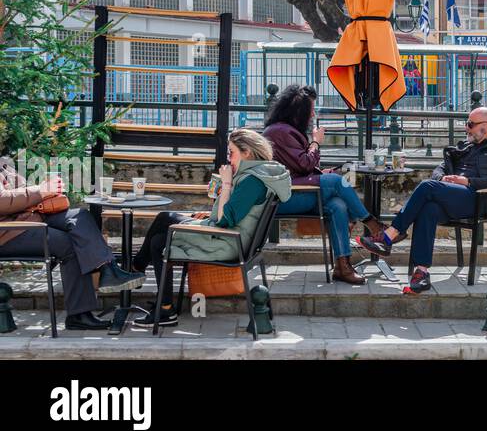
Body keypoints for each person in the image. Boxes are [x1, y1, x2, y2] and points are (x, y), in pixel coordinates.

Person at [131, 128, 291, 326]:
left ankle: (137, 271)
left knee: (163, 226)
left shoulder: (252, 181)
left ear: (247, 153)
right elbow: (238, 215)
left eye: (232, 153)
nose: (229, 159)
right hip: (229, 238)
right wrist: (210, 213)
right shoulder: (259, 175)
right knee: (160, 236)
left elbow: (226, 220)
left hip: (227, 242)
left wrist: (226, 184)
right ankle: (162, 306)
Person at [360, 106, 487, 294]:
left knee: (426, 186)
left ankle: (390, 234)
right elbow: (438, 170)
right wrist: (442, 179)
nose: (467, 128)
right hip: (452, 198)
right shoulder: (464, 147)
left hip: (477, 200)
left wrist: (467, 181)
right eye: (467, 124)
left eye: (470, 124)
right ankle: (421, 272)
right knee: (428, 208)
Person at [0, 158, 144, 331]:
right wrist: (41, 190)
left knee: (80, 216)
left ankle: (107, 268)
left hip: (28, 217)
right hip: (8, 232)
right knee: (69, 244)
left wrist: (46, 190)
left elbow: (20, 191)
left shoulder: (3, 163)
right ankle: (79, 315)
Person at [262, 84, 385, 285]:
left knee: (338, 205)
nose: (312, 115)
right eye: (310, 110)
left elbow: (300, 167)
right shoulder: (280, 132)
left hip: (297, 190)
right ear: (298, 112)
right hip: (285, 197)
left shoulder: (284, 130)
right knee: (337, 181)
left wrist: (320, 172)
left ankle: (342, 266)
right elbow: (304, 163)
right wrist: (316, 142)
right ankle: (372, 224)